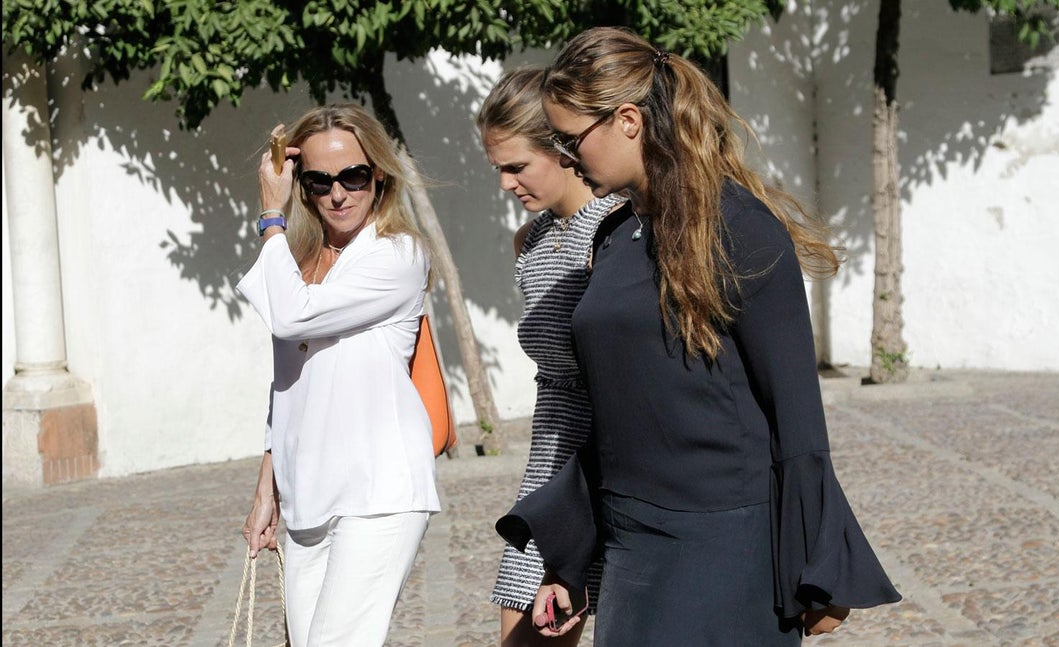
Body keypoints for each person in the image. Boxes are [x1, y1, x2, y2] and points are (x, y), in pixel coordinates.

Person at [496, 27, 901, 645]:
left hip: (724, 551)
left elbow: (795, 417)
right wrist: (568, 562)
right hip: (633, 549)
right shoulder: (614, 238)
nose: (567, 157)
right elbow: (612, 412)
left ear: (628, 120)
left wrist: (815, 569)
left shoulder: (741, 230)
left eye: (570, 140)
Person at [237, 103, 440, 646]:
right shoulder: (299, 261)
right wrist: (267, 487)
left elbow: (291, 314)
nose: (338, 194)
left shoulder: (398, 254)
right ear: (302, 184)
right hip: (308, 491)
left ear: (378, 175)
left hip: (379, 488)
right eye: (319, 180)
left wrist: (270, 215)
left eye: (352, 176)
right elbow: (287, 383)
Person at [476, 67, 625, 646]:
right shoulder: (531, 241)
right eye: (498, 170)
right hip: (551, 458)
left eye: (517, 166)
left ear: (563, 149)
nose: (506, 184)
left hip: (612, 455)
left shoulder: (617, 230)